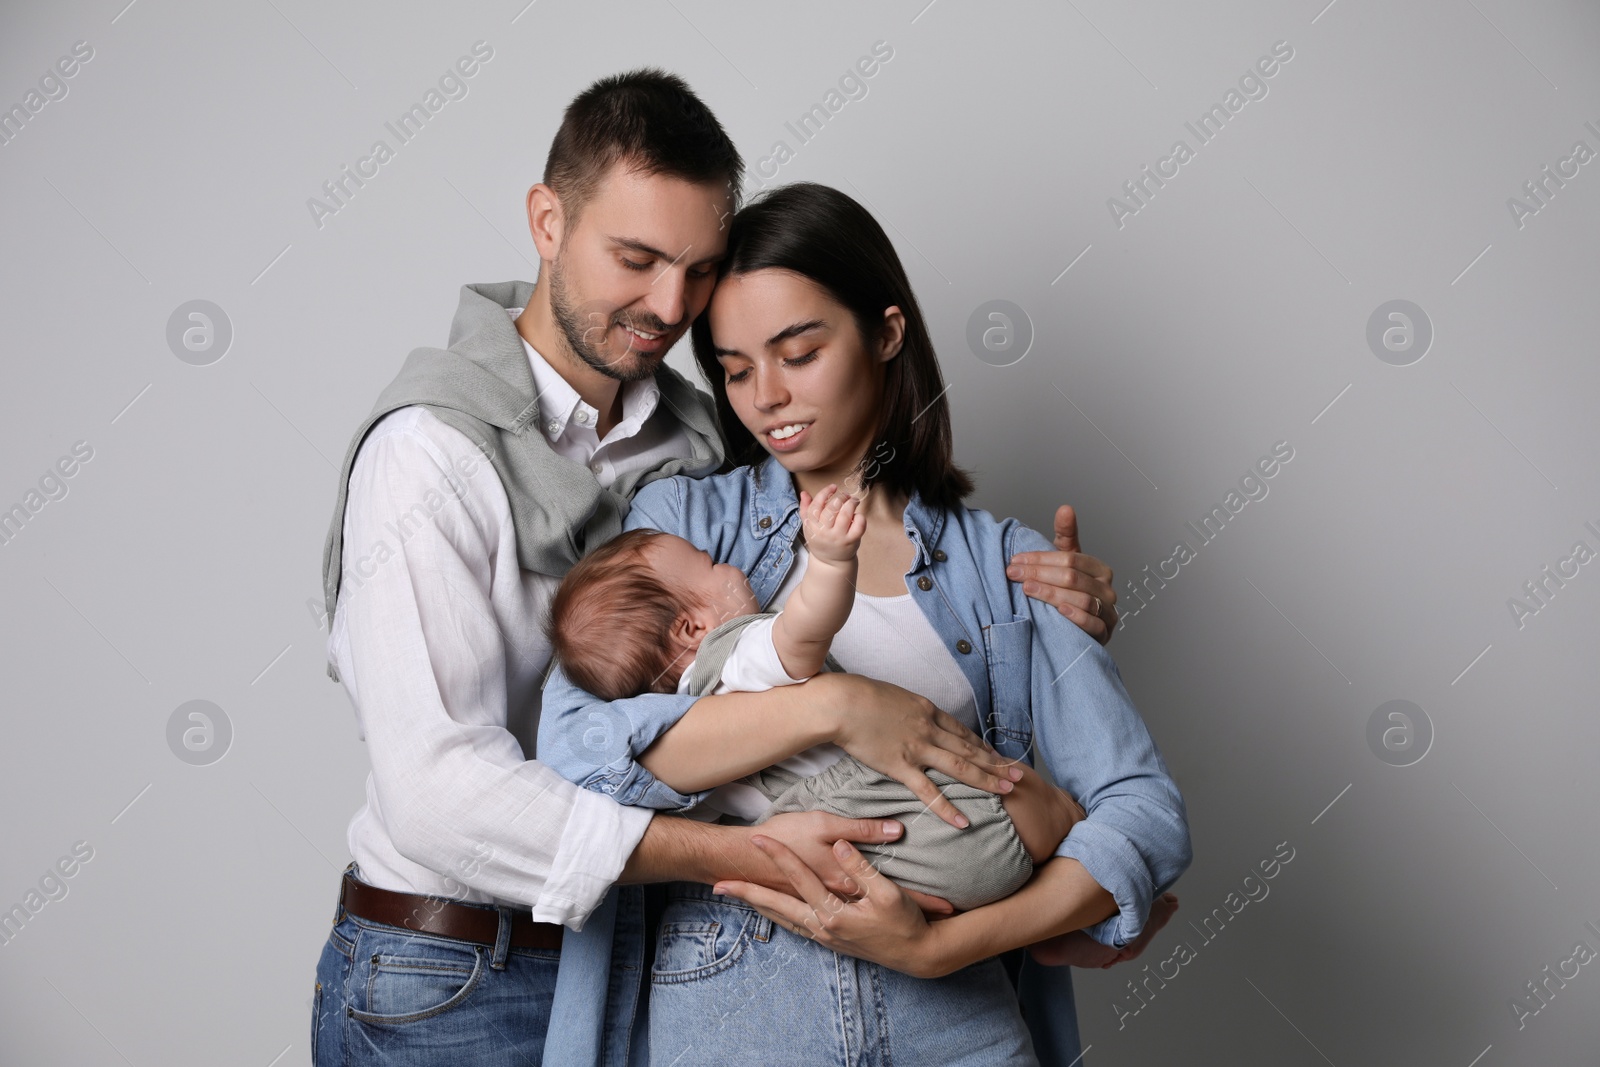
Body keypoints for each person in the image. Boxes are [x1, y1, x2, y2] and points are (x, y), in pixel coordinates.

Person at [310, 70, 1125, 1065]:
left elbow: (860, 580)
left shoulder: (701, 452)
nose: (668, 307)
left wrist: (1050, 613)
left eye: (694, 270)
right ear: (547, 221)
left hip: (612, 953)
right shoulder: (430, 455)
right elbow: (440, 794)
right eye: (636, 258)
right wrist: (791, 775)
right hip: (447, 962)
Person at [538, 182, 1192, 1064]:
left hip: (956, 1018)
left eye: (798, 351)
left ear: (886, 333)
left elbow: (1144, 815)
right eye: (734, 370)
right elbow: (579, 751)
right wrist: (834, 707)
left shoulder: (1005, 568)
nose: (766, 398)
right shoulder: (689, 527)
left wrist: (942, 947)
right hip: (737, 1008)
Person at [545, 489, 1080, 912]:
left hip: (883, 855)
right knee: (1050, 809)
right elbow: (801, 634)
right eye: (710, 563)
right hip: (921, 815)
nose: (729, 565)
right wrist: (829, 562)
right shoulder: (730, 657)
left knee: (1024, 849)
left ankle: (1055, 911)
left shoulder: (689, 727)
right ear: (693, 627)